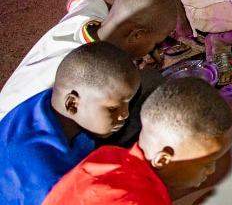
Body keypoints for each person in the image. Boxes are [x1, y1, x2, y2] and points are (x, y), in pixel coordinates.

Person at [42, 78, 232, 205]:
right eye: (208, 163)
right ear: (162, 160)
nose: (212, 170)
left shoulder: (110, 155)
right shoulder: (135, 200)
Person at [0, 0, 176, 120]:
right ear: (136, 35)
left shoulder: (91, 11)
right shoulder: (82, 75)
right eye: (156, 42)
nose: (155, 49)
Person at [0, 42, 139, 205]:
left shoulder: (52, 102)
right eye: (113, 109)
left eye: (127, 104)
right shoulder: (49, 180)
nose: (124, 114)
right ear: (72, 104)